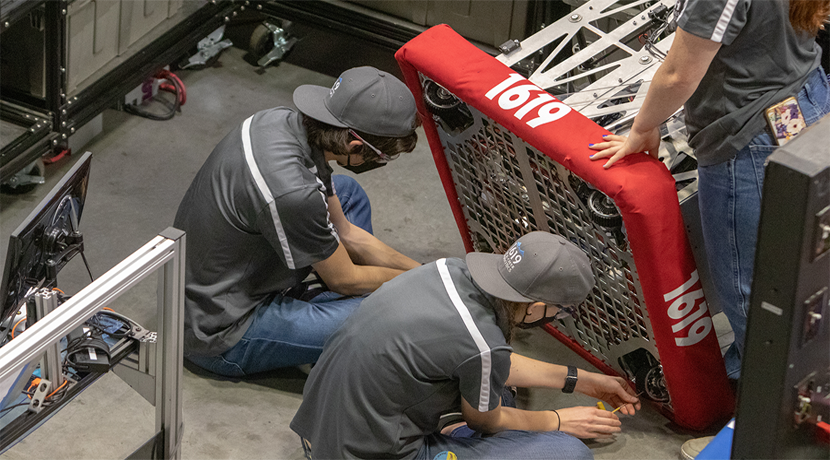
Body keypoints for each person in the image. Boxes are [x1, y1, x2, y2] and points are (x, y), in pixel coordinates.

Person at [588, 0, 830, 383]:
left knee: (752, 293)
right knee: (809, 274)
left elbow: (678, 76)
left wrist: (643, 128)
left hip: (751, 136)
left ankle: (760, 423)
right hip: (809, 101)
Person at [290, 231, 641, 460]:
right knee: (568, 453)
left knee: (500, 387)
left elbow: (486, 359)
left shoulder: (447, 270)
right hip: (363, 453)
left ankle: (451, 429)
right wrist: (558, 420)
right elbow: (487, 416)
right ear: (535, 307)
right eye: (560, 310)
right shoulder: (483, 344)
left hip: (321, 427)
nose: (558, 316)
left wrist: (580, 379)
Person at [174, 66, 423, 377]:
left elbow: (346, 232)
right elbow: (344, 279)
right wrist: (417, 286)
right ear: (356, 147)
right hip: (219, 332)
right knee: (390, 313)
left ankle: (323, 314)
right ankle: (326, 320)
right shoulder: (293, 193)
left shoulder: (281, 121)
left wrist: (426, 273)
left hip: (218, 278)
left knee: (348, 194)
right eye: (381, 157)